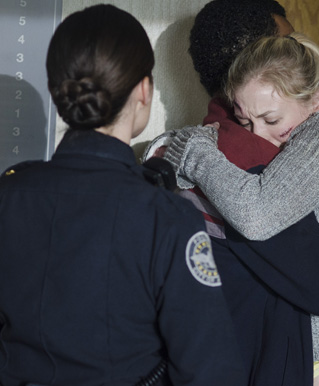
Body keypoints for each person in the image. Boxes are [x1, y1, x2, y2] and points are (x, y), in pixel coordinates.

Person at [0, 5, 246, 385]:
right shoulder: (166, 217)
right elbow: (211, 371)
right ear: (144, 90)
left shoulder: (9, 195)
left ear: (57, 90)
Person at [161, 27, 319, 386]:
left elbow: (257, 216)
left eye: (271, 121)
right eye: (246, 120)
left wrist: (194, 153)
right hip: (304, 357)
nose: (257, 134)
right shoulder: (248, 146)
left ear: (316, 101)